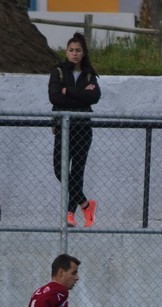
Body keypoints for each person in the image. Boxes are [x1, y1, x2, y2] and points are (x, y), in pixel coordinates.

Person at [49, 32, 100, 228]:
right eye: (71, 50)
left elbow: (93, 98)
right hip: (63, 128)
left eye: (78, 50)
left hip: (83, 128)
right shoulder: (58, 72)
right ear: (66, 52)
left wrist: (68, 91)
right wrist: (80, 96)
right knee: (59, 169)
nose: (74, 53)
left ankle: (70, 214)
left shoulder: (89, 74)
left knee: (77, 172)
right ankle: (86, 205)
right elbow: (55, 97)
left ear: (83, 52)